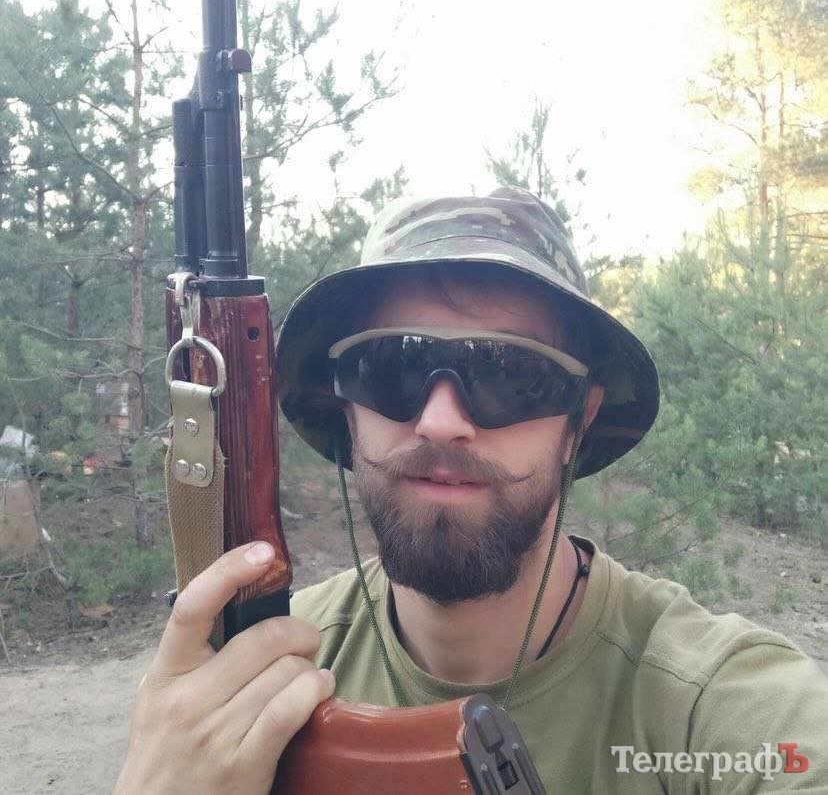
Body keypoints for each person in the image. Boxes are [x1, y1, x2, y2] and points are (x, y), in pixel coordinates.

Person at [117, 188, 827, 793]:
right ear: (343, 403)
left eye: (509, 374)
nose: (441, 421)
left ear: (579, 419)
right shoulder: (261, 672)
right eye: (391, 366)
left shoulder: (713, 706)